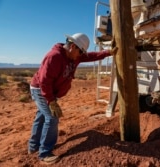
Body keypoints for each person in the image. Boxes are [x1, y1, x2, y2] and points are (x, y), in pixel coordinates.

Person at [28, 33, 117, 164]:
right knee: (52, 117)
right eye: (80, 52)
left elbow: (91, 56)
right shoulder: (54, 57)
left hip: (51, 91)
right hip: (41, 90)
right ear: (73, 46)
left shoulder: (75, 56)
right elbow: (44, 82)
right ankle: (44, 153)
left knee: (41, 116)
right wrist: (51, 101)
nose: (81, 55)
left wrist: (108, 52)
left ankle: (33, 146)